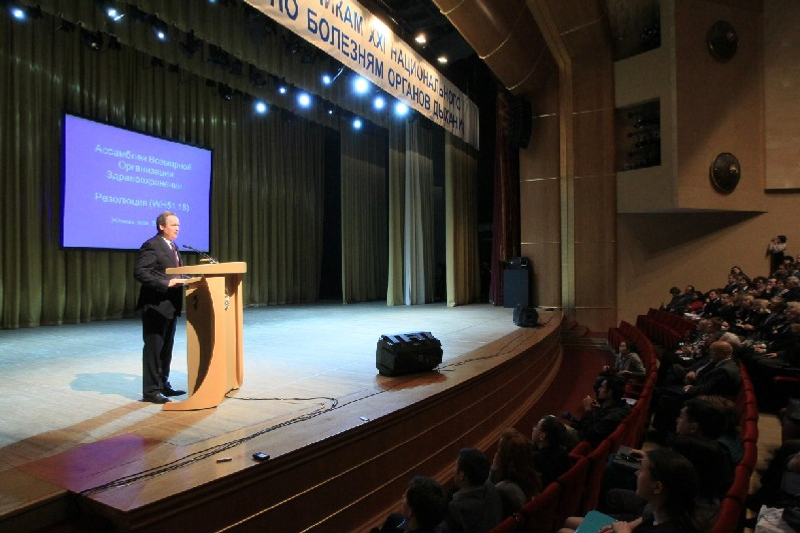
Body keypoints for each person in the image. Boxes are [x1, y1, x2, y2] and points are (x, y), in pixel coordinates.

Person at [134, 211, 189, 404]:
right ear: (161, 226)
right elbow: (141, 272)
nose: (177, 228)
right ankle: (151, 391)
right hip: (155, 306)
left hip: (170, 306)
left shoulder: (173, 246)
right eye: (173, 225)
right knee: (154, 350)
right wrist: (166, 283)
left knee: (166, 349)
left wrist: (187, 279)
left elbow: (172, 273)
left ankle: (163, 384)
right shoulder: (152, 245)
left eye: (178, 225)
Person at [440, 448, 504, 533]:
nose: (453, 470)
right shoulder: (492, 488)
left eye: (455, 466)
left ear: (461, 475)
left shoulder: (455, 508)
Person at [565, 376, 631, 448]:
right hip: (590, 433)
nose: (599, 389)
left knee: (555, 423)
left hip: (584, 442)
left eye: (602, 387)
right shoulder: (624, 406)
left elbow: (589, 434)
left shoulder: (612, 417)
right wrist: (600, 407)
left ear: (610, 392)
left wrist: (587, 409)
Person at [491, 428, 542, 517]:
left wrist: (493, 471)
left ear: (505, 457)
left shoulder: (504, 489)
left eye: (499, 450)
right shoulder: (532, 477)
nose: (496, 454)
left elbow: (487, 500)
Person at [373, 475, 448, 533]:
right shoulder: (394, 520)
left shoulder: (393, 523)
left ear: (410, 511)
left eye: (405, 496)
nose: (402, 496)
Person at [531, 415, 574, 486]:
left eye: (536, 427)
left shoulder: (536, 459)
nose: (533, 429)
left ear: (542, 436)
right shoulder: (563, 452)